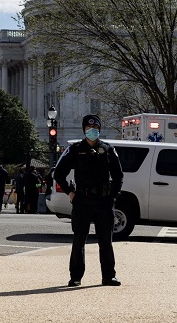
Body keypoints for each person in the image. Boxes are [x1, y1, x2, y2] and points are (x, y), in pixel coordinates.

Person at [53, 114, 123, 288]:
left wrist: (113, 196)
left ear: (99, 130)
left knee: (106, 240)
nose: (92, 131)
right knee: (79, 240)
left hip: (104, 201)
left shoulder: (108, 149)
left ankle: (109, 276)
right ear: (84, 130)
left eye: (96, 129)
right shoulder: (75, 150)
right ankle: (75, 277)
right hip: (82, 200)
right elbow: (58, 173)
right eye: (89, 129)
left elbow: (118, 175)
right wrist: (70, 192)